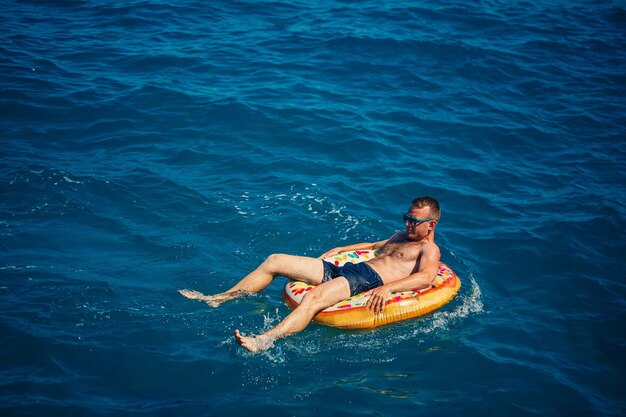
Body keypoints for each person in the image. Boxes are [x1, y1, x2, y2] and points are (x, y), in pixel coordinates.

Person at [179, 196, 441, 352]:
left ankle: (264, 340)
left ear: (431, 224)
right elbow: (373, 247)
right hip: (348, 269)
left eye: (414, 221)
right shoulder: (400, 236)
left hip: (366, 280)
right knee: (275, 260)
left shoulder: (429, 249)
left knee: (314, 298)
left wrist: (388, 289)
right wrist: (341, 249)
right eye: (407, 217)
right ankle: (219, 298)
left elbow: (427, 277)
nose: (408, 223)